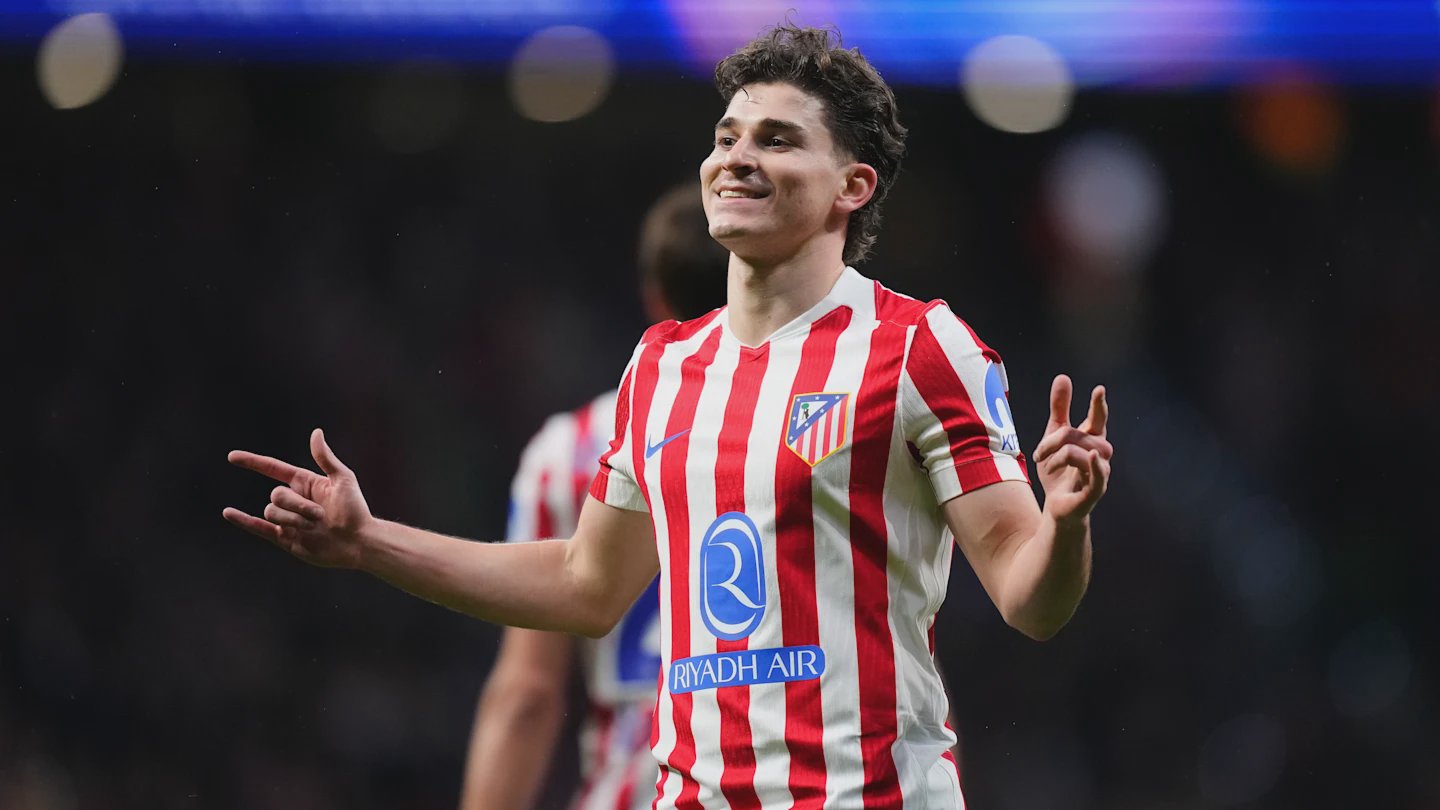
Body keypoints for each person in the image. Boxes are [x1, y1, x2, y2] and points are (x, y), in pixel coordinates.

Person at [224, 23, 1114, 809]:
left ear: (852, 184)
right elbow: (585, 583)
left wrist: (1065, 525)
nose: (736, 158)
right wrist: (369, 542)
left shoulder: (918, 346)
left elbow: (1029, 599)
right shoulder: (661, 366)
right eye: (726, 137)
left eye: (776, 140)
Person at [460, 184, 727, 810]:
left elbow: (528, 692)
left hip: (634, 789)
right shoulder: (809, 431)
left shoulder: (569, 453)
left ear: (655, 299)